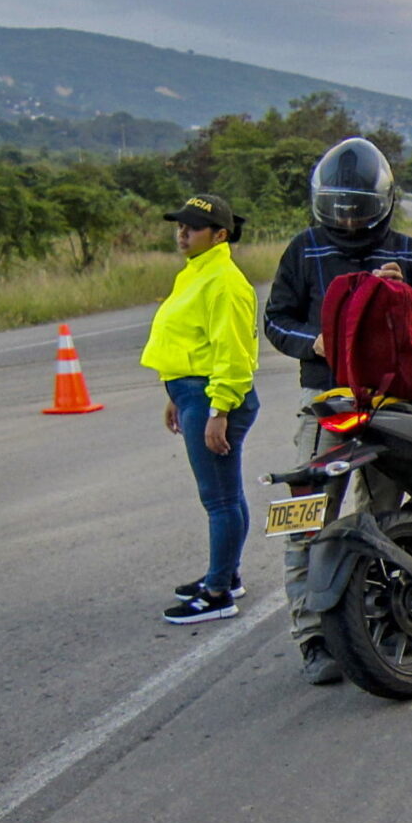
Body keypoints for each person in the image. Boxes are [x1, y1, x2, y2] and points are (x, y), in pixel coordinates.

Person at [262, 137, 412, 686]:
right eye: (339, 207)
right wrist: (316, 342)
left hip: (393, 404)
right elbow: (275, 321)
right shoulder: (304, 250)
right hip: (324, 403)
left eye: (357, 208)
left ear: (382, 203)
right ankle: (314, 636)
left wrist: (406, 301)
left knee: (385, 516)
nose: (347, 218)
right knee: (302, 521)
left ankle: (380, 622)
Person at [143, 192, 262, 624]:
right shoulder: (197, 273)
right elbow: (189, 342)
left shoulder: (224, 282)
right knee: (225, 495)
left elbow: (232, 353)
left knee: (220, 499)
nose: (182, 234)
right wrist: (174, 395)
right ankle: (225, 576)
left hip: (214, 396)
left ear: (220, 235)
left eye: (191, 228)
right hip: (195, 393)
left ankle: (217, 593)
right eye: (180, 227)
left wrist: (219, 410)